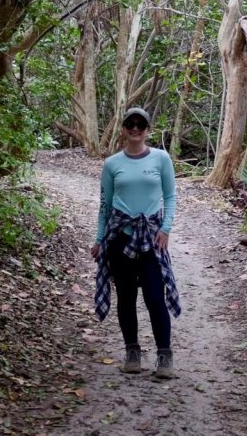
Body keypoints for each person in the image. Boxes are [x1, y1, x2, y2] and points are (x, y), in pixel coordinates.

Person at [92, 106, 181, 379]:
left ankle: (164, 356)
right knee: (127, 297)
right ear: (123, 128)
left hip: (152, 237)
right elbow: (105, 206)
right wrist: (99, 239)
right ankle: (132, 352)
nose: (135, 128)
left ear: (147, 129)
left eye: (140, 124)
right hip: (120, 236)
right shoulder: (112, 164)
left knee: (155, 297)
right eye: (130, 123)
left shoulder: (161, 158)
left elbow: (171, 196)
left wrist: (165, 229)